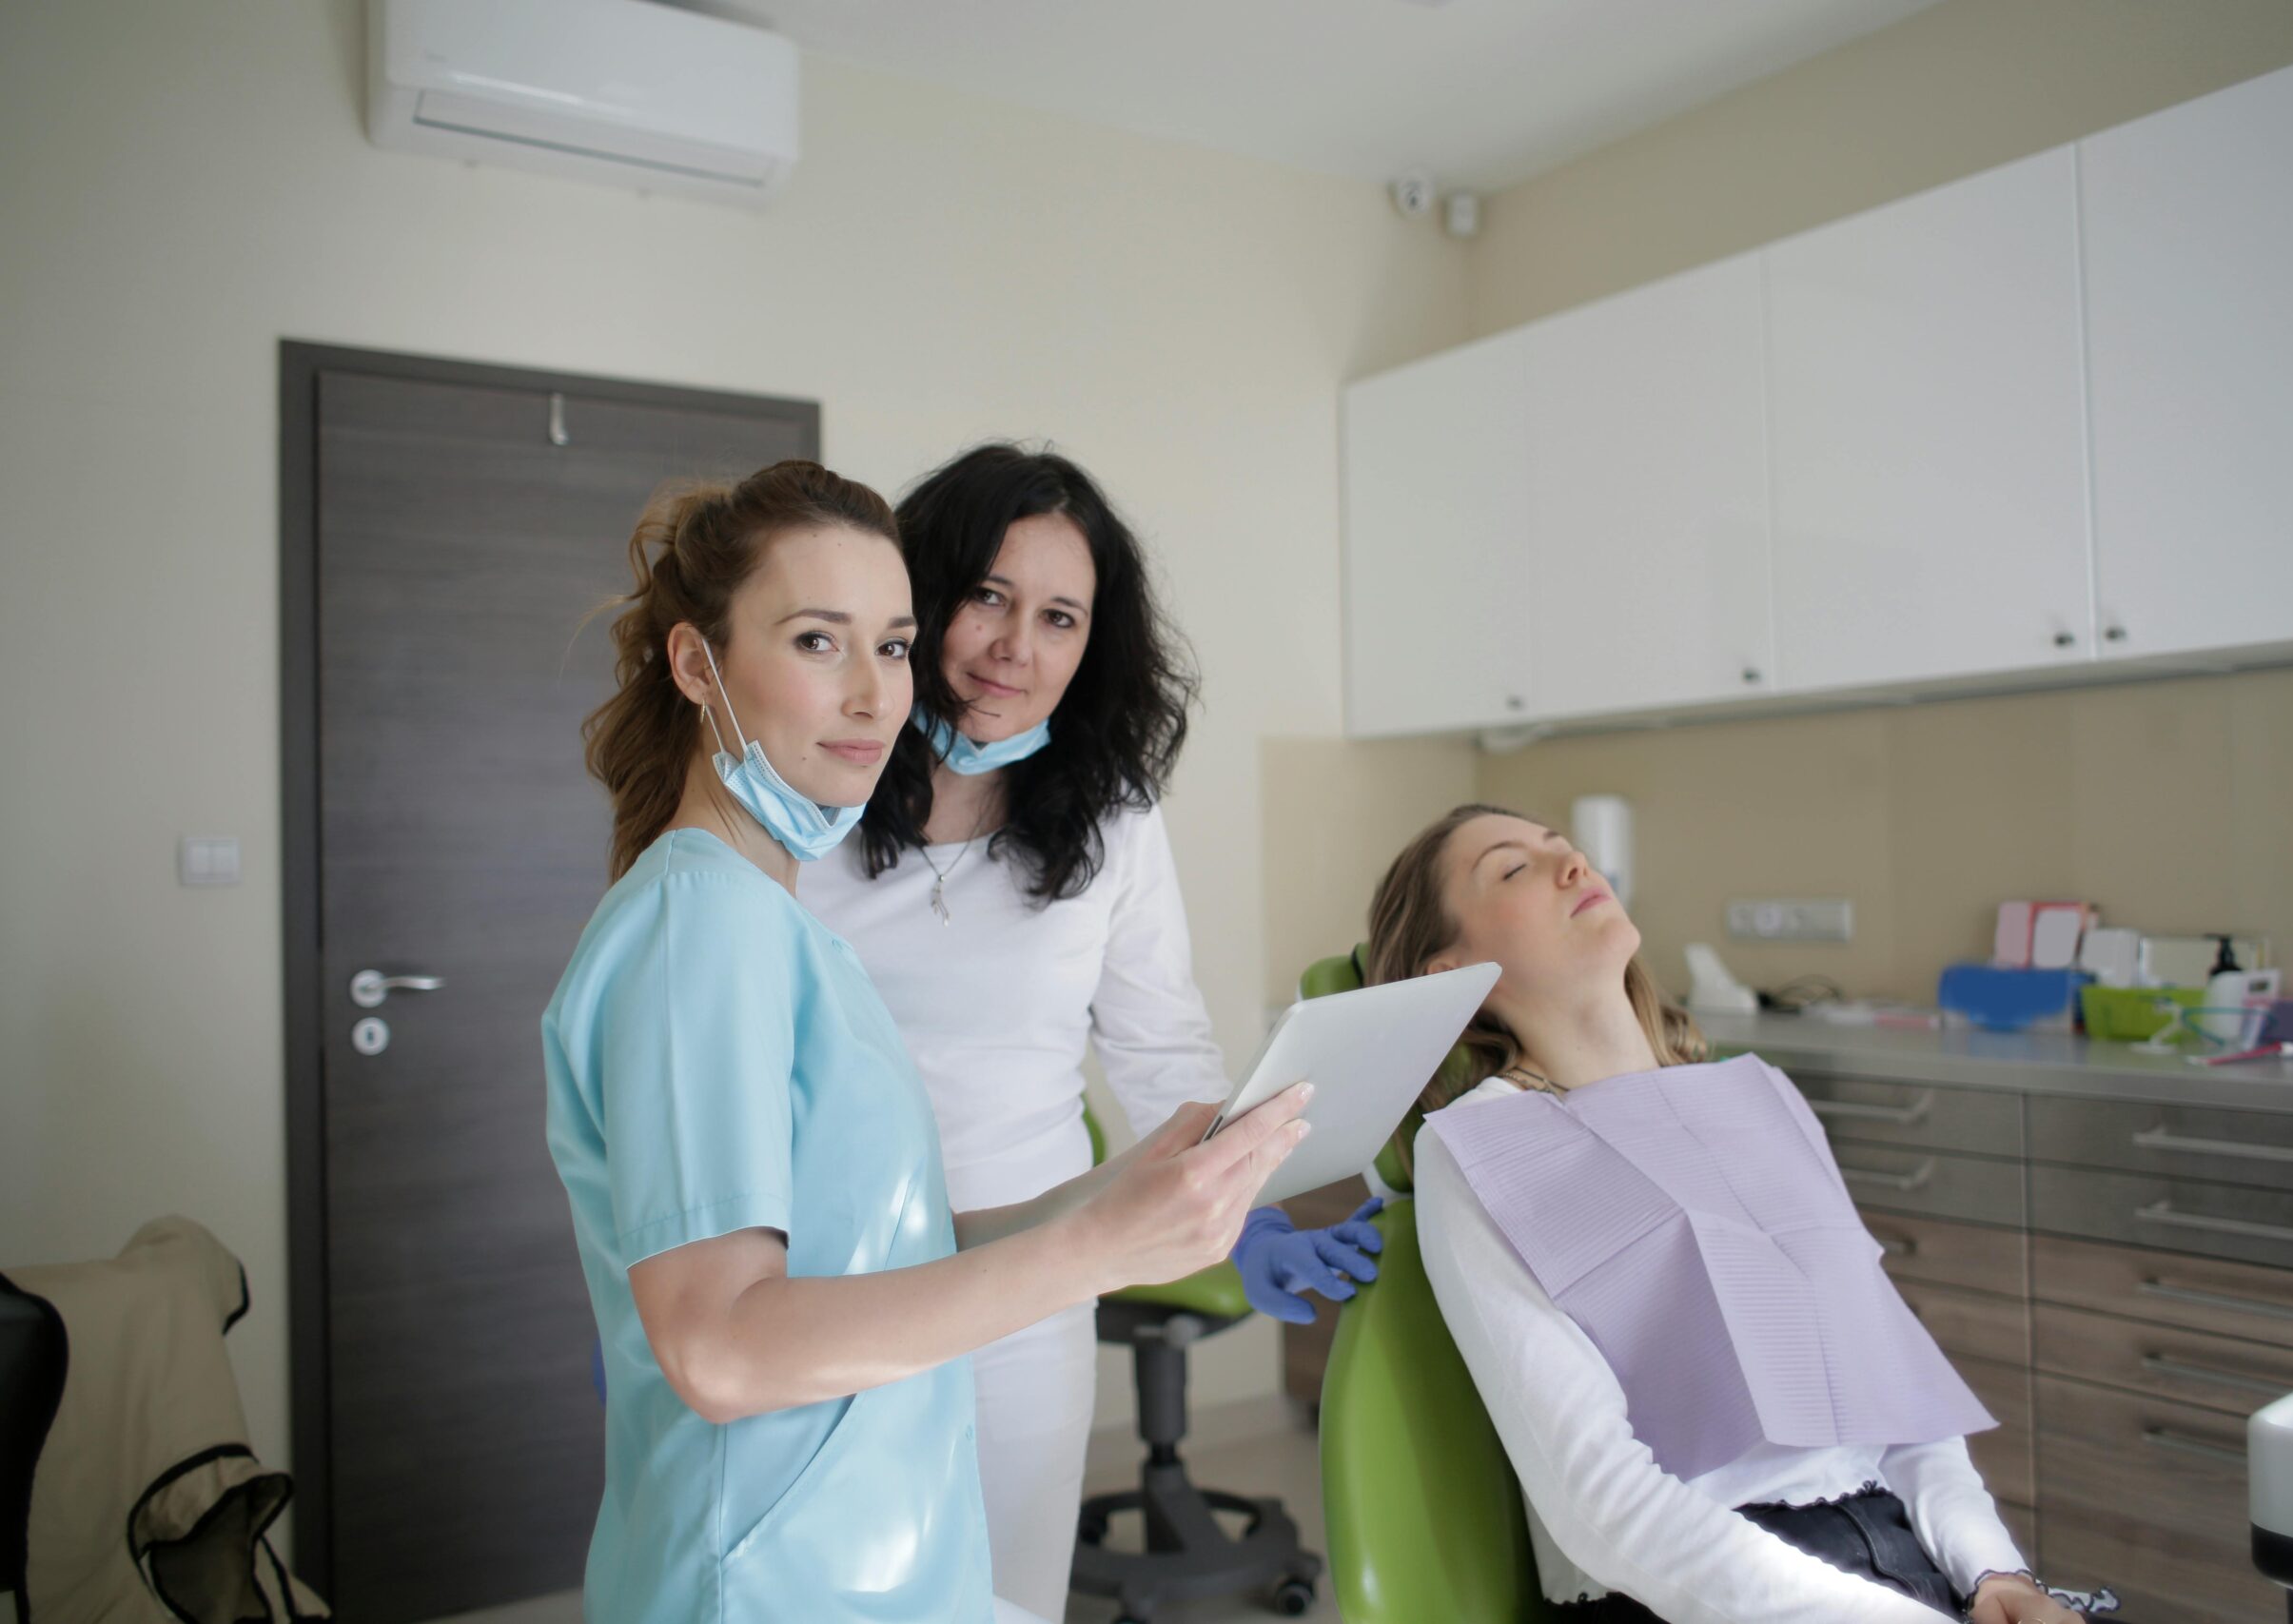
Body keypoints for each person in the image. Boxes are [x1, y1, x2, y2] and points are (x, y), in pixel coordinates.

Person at [539, 459, 1309, 1624]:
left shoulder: (771, 915)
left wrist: (1146, 1202)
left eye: (887, 646)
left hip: (882, 1451)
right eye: (815, 641)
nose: (870, 695)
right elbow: (726, 1348)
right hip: (777, 1516)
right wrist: (1091, 1248)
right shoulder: (715, 917)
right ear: (699, 663)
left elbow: (892, 1236)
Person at [796, 442, 1381, 1617]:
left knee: (1005, 1593)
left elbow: (1162, 1052)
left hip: (1031, 1279)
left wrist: (1245, 1205)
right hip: (827, 1276)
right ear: (918, 597)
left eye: (1059, 616)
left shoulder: (1109, 819)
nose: (1020, 646)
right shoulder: (805, 792)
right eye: (989, 598)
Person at [1363, 804, 2102, 1624]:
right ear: (1451, 973)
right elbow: (1604, 1507)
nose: (1574, 864)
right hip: (1695, 1588)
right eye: (1512, 868)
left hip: (1905, 1557)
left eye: (1563, 847)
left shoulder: (1759, 1101)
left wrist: (1997, 1575)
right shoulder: (1481, 1152)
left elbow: (1899, 1407)